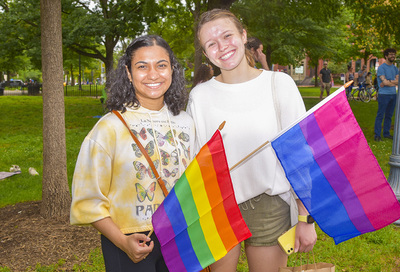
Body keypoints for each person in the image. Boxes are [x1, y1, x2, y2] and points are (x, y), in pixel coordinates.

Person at [187, 9, 317, 272]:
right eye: (211, 43)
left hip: (269, 204)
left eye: (227, 35)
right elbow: (196, 163)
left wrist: (306, 218)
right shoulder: (199, 97)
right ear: (205, 52)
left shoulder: (279, 84)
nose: (222, 47)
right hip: (218, 206)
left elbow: (299, 156)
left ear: (243, 35)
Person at [70, 35, 195, 271]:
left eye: (161, 65)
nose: (153, 74)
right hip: (129, 239)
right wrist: (122, 242)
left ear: (172, 70)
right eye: (142, 66)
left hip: (179, 237)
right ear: (128, 73)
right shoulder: (110, 127)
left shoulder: (186, 121)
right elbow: (87, 199)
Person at [374, 48, 399, 142]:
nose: (393, 56)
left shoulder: (395, 68)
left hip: (393, 94)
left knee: (389, 115)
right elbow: (385, 82)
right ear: (386, 56)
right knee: (380, 115)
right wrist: (390, 82)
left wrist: (388, 81)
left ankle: (386, 133)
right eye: (391, 54)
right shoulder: (381, 68)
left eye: (394, 54)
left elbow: (397, 81)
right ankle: (377, 135)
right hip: (384, 95)